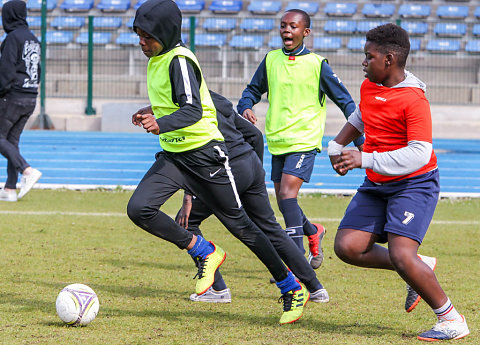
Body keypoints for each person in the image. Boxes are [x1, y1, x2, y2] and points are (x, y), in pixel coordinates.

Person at [127, 0, 309, 324]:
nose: (142, 41)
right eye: (138, 35)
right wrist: (151, 111)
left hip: (204, 157)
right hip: (174, 156)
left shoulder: (179, 60)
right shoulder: (157, 58)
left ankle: (290, 286)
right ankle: (204, 251)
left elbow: (193, 110)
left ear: (166, 33)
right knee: (139, 208)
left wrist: (162, 122)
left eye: (147, 36)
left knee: (242, 227)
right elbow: (174, 103)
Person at [328, 23, 469, 341]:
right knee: (347, 247)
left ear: (389, 59)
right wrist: (337, 145)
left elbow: (420, 154)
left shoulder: (413, 98)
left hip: (413, 184)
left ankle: (452, 320)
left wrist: (363, 159)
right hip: (377, 184)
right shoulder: (369, 84)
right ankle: (420, 266)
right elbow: (361, 116)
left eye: (369, 56)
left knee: (401, 254)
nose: (364, 62)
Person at [237, 9, 364, 269]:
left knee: (286, 194)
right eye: (283, 25)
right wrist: (246, 105)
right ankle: (313, 231)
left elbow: (346, 103)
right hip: (278, 141)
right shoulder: (271, 59)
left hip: (305, 141)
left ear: (305, 32)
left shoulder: (318, 64)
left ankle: (296, 267)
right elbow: (252, 89)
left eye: (293, 26)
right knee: (285, 202)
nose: (287, 30)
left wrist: (362, 142)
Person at [176, 90, 329, 304]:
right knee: (271, 228)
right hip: (249, 166)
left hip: (225, 172)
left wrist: (188, 195)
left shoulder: (184, 107)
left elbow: (192, 152)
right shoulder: (216, 98)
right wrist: (255, 175)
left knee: (187, 222)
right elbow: (255, 135)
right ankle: (316, 288)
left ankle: (217, 289)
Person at [0, 0, 42, 202]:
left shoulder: (12, 38)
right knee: (11, 142)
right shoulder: (33, 39)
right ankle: (9, 189)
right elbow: (38, 70)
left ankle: (27, 170)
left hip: (14, 96)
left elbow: (6, 72)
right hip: (31, 96)